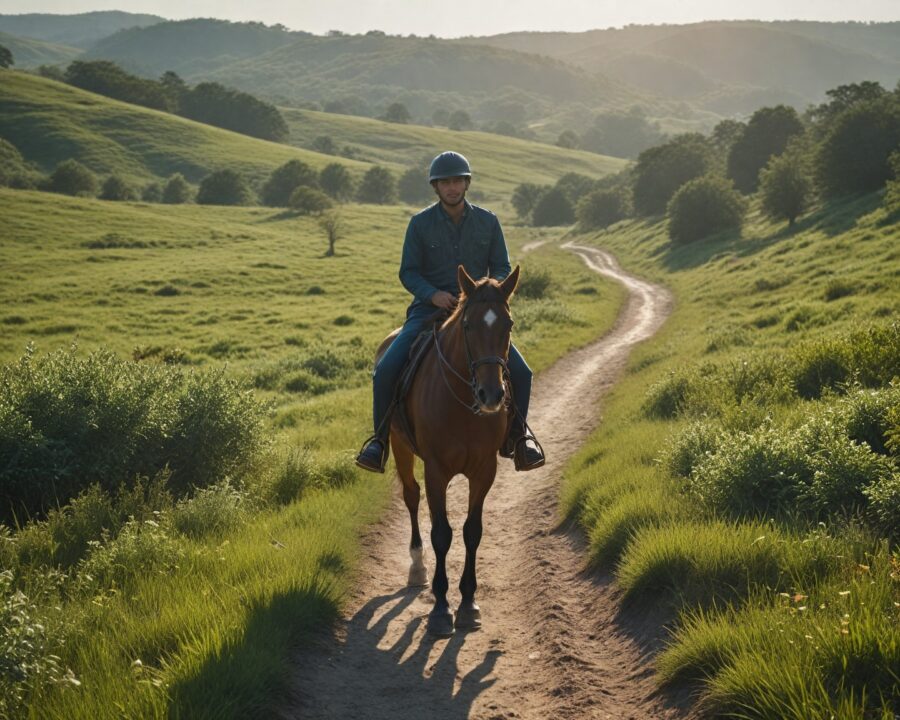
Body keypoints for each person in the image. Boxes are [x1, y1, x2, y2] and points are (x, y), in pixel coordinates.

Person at [355, 151, 545, 473]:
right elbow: (409, 272)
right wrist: (434, 295)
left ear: (467, 183)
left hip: (478, 313)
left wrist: (488, 291)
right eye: (445, 182)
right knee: (386, 368)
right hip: (429, 312)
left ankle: (519, 438)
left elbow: (500, 265)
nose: (452, 187)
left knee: (522, 372)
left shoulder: (488, 221)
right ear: (436, 187)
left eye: (458, 180)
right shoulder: (419, 224)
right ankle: (379, 443)